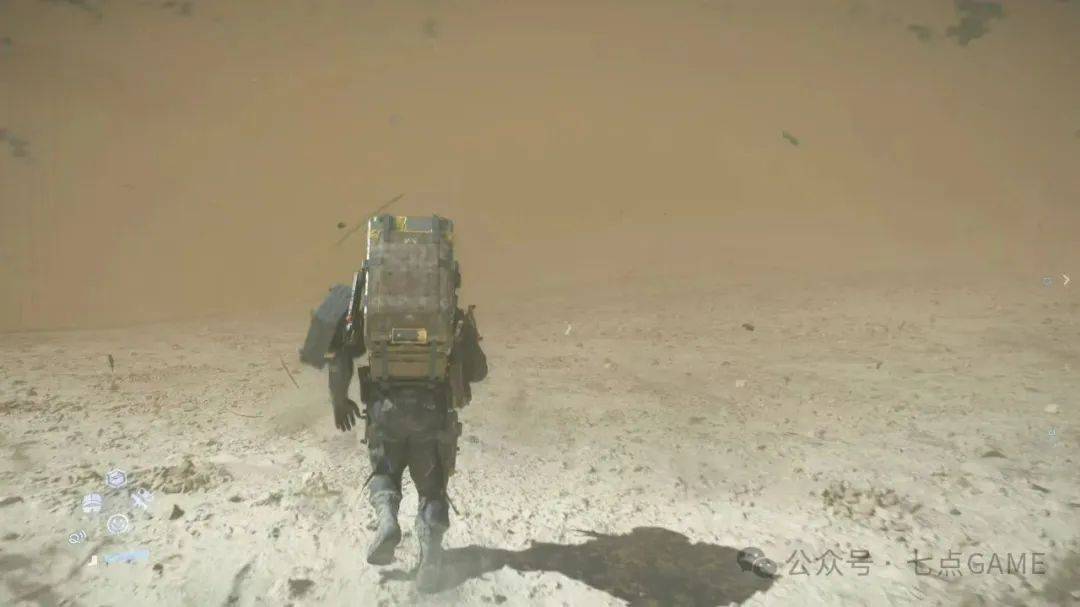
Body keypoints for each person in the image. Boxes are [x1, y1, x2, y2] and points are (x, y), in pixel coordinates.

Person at [325, 284, 487, 593]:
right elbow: (478, 372)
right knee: (432, 488)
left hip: (385, 411)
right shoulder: (449, 313)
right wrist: (466, 338)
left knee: (385, 472)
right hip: (432, 413)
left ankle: (388, 520)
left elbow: (340, 355)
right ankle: (431, 559)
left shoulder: (371, 309)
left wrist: (339, 400)